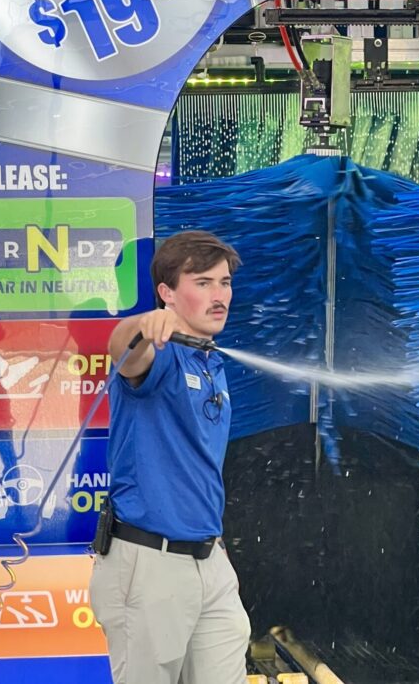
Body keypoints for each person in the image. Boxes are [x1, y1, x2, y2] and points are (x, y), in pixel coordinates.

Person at [89, 230, 250, 684]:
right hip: (149, 564)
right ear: (167, 293)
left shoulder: (209, 359)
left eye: (224, 283)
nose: (219, 296)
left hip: (209, 560)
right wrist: (143, 325)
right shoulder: (160, 354)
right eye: (203, 283)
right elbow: (123, 350)